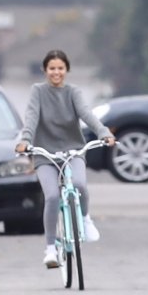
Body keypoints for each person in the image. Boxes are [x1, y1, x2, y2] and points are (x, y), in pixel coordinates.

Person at [15, 49, 115, 268]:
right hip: (45, 153)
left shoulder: (73, 92)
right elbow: (31, 117)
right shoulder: (38, 91)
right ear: (45, 70)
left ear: (67, 70)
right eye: (52, 68)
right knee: (51, 197)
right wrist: (25, 140)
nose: (56, 72)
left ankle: (86, 218)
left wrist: (103, 132)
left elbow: (87, 114)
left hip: (73, 150)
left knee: (79, 184)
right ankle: (50, 248)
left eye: (60, 68)